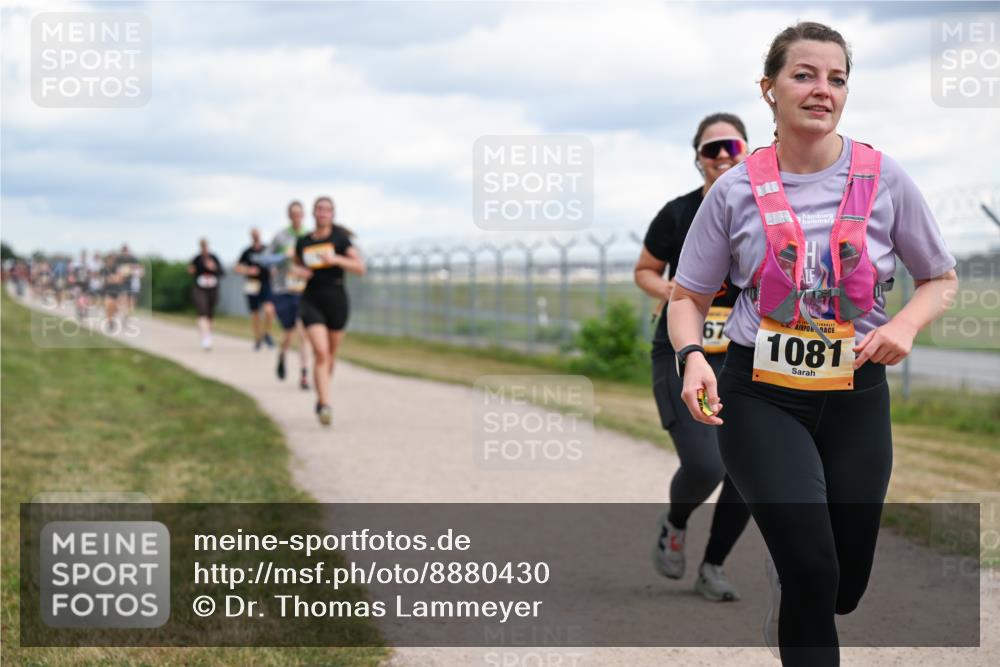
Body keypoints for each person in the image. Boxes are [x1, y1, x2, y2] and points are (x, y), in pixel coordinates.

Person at [667, 22, 958, 666]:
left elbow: (940, 278)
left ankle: (801, 597)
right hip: (761, 396)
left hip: (856, 393)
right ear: (769, 90)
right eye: (805, 75)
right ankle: (799, 592)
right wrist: (693, 360)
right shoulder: (735, 190)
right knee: (809, 564)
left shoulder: (886, 180)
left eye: (837, 78)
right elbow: (686, 298)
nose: (822, 90)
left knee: (843, 583)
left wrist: (903, 325)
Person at [635, 113, 752, 602]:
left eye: (731, 146)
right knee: (706, 465)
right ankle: (676, 521)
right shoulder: (677, 213)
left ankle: (714, 566)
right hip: (683, 351)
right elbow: (644, 269)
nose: (723, 156)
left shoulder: (763, 210)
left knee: (751, 469)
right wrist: (670, 290)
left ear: (748, 150)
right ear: (698, 159)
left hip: (745, 353)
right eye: (712, 149)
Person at [294, 196, 366, 425]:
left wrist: (336, 259)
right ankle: (325, 405)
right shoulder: (303, 241)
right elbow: (296, 265)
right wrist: (299, 273)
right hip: (311, 299)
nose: (323, 213)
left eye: (327, 210)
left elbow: (359, 268)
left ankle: (321, 395)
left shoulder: (340, 239)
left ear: (332, 214)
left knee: (330, 356)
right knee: (321, 353)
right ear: (313, 213)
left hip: (336, 299)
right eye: (319, 209)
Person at [268, 201, 311, 389]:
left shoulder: (309, 236)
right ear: (289, 215)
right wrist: (284, 256)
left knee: (303, 333)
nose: (297, 216)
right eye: (293, 213)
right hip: (284, 290)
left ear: (303, 215)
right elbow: (267, 259)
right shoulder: (280, 236)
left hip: (303, 290)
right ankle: (282, 355)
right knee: (288, 333)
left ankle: (304, 374)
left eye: (299, 213)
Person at [235, 228, 275, 350]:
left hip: (265, 282)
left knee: (269, 310)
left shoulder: (267, 249)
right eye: (253, 234)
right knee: (255, 313)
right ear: (251, 236)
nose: (256, 236)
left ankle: (267, 333)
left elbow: (275, 263)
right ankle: (257, 339)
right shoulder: (247, 252)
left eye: (257, 234)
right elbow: (237, 268)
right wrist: (248, 270)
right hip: (252, 283)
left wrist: (274, 270)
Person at [187, 238, 225, 350]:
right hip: (200, 288)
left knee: (210, 314)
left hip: (212, 289)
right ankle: (205, 338)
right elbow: (190, 271)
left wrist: (214, 267)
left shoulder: (214, 258)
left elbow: (222, 273)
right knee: (202, 312)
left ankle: (207, 334)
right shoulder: (197, 258)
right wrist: (191, 270)